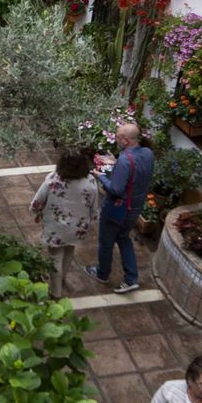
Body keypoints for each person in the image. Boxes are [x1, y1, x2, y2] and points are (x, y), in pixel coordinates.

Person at [85, 122, 155, 293]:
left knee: (106, 242)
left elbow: (116, 189)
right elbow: (134, 176)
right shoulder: (147, 153)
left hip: (117, 209)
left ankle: (102, 273)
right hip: (135, 208)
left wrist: (100, 175)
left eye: (117, 137)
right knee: (123, 238)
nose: (115, 139)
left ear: (125, 140)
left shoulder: (125, 160)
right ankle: (131, 278)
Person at [29, 149, 100, 298]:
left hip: (56, 227)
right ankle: (62, 278)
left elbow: (37, 201)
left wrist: (35, 212)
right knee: (69, 250)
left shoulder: (53, 179)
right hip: (78, 227)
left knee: (55, 256)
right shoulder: (90, 181)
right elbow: (94, 207)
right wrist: (93, 216)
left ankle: (55, 291)